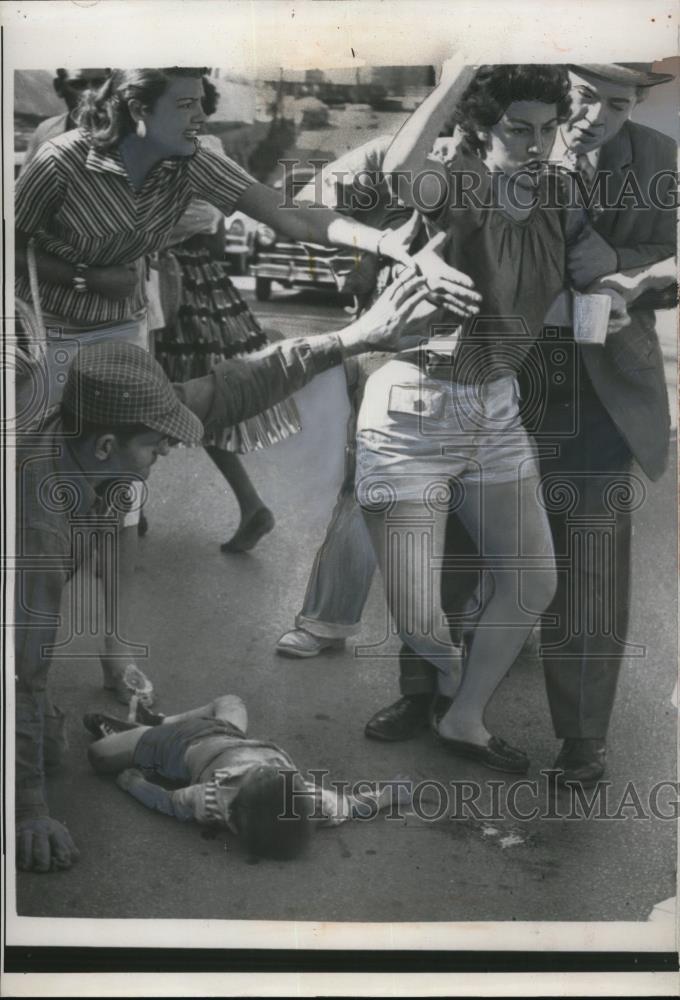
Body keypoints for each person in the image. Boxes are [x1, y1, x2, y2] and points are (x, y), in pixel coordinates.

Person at [14, 66, 478, 707]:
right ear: (134, 108)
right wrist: (91, 279)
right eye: (184, 105)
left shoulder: (193, 161)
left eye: (200, 102)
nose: (199, 115)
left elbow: (287, 214)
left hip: (124, 333)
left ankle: (114, 652)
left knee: (120, 497)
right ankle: (26, 679)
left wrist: (384, 243)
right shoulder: (61, 160)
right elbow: (12, 248)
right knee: (42, 500)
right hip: (46, 335)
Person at [13, 265, 429, 874]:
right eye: (155, 445)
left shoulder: (104, 414)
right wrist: (27, 810)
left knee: (51, 751)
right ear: (105, 448)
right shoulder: (35, 527)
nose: (169, 451)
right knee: (33, 758)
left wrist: (352, 338)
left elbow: (234, 386)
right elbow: (22, 668)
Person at [364, 62, 677, 788]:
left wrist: (626, 271)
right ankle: (428, 692)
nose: (593, 116)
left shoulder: (657, 160)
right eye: (585, 98)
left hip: (593, 387)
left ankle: (581, 736)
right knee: (450, 546)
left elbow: (659, 258)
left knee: (588, 560)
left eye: (616, 102)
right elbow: (404, 190)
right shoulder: (475, 153)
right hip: (487, 378)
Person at [151, 77, 297, 552]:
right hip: (203, 274)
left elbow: (174, 222)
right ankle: (248, 505)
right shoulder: (211, 145)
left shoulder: (182, 149)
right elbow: (217, 227)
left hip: (172, 276)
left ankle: (129, 507)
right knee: (189, 398)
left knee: (162, 395)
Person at [83, 694, 402, 860]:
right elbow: (353, 804)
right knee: (231, 702)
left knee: (99, 756)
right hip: (230, 734)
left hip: (177, 746)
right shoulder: (313, 801)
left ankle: (150, 729)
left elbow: (167, 801)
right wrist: (391, 794)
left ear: (231, 818)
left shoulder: (213, 799)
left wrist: (135, 784)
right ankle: (160, 721)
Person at [19, 68, 110, 174]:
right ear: (59, 87)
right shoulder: (45, 130)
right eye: (78, 84)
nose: (91, 93)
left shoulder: (127, 132)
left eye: (100, 83)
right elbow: (24, 184)